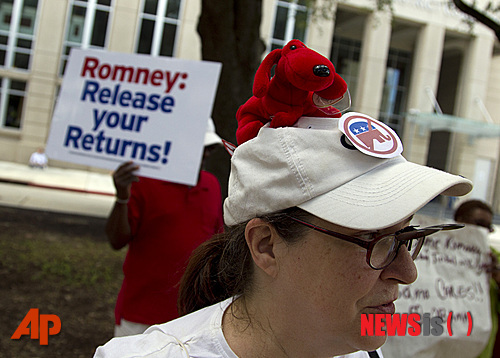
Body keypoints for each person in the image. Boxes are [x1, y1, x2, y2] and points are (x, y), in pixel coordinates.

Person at [94, 114, 472, 357]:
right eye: (374, 238)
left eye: (406, 237)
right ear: (265, 246)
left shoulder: (361, 351)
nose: (408, 272)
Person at [106, 118, 224, 337]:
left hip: (191, 319)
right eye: (199, 148)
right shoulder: (144, 181)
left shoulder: (211, 185)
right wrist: (122, 197)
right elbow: (116, 239)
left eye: (209, 148)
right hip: (139, 318)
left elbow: (216, 246)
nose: (205, 154)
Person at [454, 200, 500, 358]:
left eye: (488, 227)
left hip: (479, 349)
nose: (483, 231)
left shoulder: (495, 259)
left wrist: (497, 277)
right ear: (460, 221)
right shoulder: (433, 254)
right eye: (479, 224)